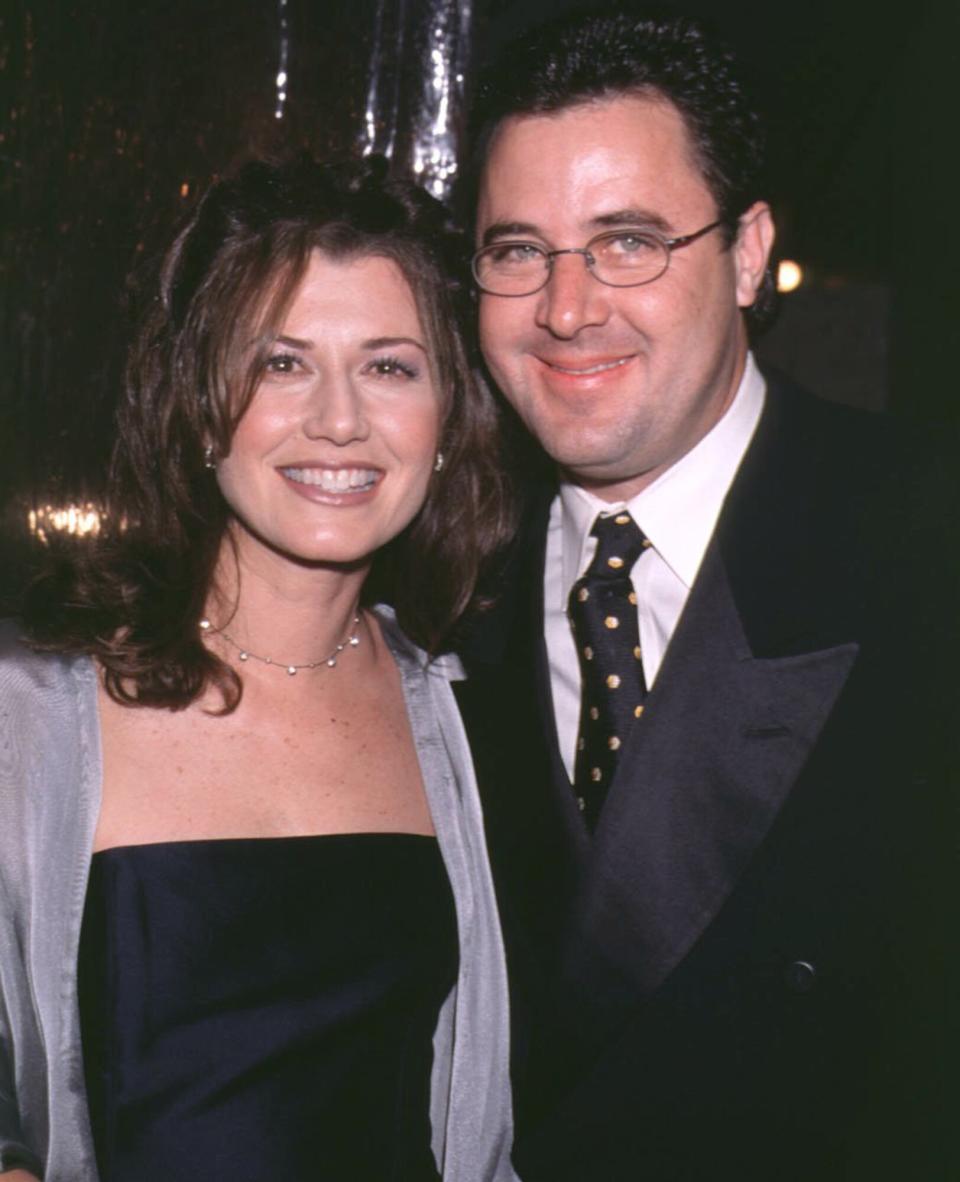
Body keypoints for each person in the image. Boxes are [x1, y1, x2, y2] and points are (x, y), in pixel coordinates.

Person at [455, 10, 956, 1182]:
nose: (568, 308)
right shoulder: (439, 582)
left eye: (628, 241)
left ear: (745, 252)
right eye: (519, 250)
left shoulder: (925, 543)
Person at [0, 156, 518, 1182]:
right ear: (196, 403)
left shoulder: (461, 713)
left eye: (390, 366)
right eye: (281, 362)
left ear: (448, 418)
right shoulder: (34, 704)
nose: (338, 420)